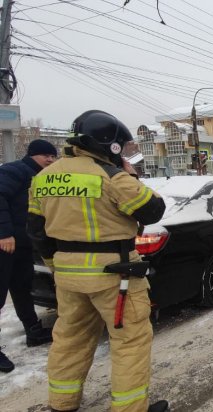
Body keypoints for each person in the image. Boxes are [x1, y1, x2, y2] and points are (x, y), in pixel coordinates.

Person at [26, 110, 168, 412]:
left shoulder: (43, 177)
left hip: (67, 277)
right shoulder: (111, 176)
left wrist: (56, 265)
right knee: (129, 342)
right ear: (111, 145)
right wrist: (129, 174)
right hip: (116, 277)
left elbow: (36, 231)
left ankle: (62, 403)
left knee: (70, 339)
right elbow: (153, 210)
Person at [0, 139, 57, 373]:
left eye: (53, 157)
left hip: (22, 246)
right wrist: (3, 233)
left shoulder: (42, 176)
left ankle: (33, 331)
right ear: (34, 155)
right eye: (47, 156)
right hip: (4, 244)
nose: (51, 161)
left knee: (22, 288)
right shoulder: (15, 170)